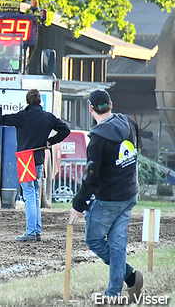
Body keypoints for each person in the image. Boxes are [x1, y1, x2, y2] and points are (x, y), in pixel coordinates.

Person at [68, 90, 143, 301]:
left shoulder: (99, 138)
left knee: (94, 239)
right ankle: (116, 291)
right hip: (129, 193)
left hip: (109, 198)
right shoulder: (127, 122)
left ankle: (129, 275)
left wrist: (78, 205)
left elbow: (91, 176)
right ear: (110, 104)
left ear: (91, 108)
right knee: (117, 245)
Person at [0, 88, 70, 241]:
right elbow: (65, 130)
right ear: (40, 101)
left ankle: (31, 232)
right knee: (35, 195)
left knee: (29, 195)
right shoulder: (48, 117)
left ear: (27, 101)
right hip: (38, 159)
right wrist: (50, 142)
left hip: (25, 160)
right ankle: (36, 230)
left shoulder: (22, 117)